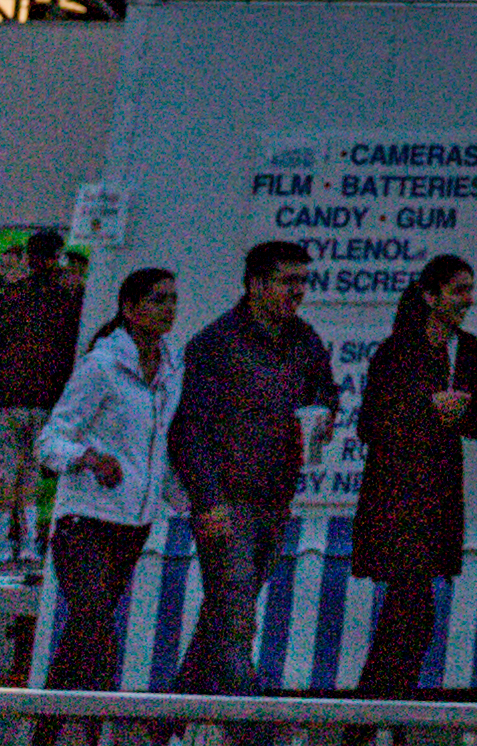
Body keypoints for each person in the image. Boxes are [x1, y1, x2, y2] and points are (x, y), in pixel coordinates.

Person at [167, 239, 337, 705]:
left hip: (275, 496)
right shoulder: (217, 343)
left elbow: (326, 393)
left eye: (304, 281)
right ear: (257, 283)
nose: (299, 291)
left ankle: (161, 723)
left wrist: (324, 415)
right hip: (229, 499)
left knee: (222, 616)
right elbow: (189, 431)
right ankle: (252, 723)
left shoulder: (304, 340)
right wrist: (207, 500)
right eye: (288, 280)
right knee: (236, 617)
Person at [351, 254, 477, 697]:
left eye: (470, 289)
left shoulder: (467, 349)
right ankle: (378, 712)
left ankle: (382, 711)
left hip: (440, 493)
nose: (467, 299)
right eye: (458, 290)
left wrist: (464, 411)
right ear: (431, 297)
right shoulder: (397, 351)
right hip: (397, 494)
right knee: (410, 610)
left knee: (412, 613)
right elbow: (371, 424)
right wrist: (428, 410)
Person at [35, 267, 180, 695]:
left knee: (85, 632)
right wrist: (88, 458)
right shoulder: (101, 366)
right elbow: (49, 441)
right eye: (158, 300)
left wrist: (186, 498)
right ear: (130, 309)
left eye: (173, 299)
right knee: (96, 623)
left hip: (133, 526)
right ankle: (99, 720)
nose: (169, 309)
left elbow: (157, 449)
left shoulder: (172, 371)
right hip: (85, 521)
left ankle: (48, 726)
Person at [0, 233, 82, 567]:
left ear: (29, 257)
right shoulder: (69, 301)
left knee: (2, 471)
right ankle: (28, 542)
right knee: (30, 469)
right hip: (48, 400)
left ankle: (0, 542)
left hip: (5, 397)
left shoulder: (10, 297)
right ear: (58, 257)